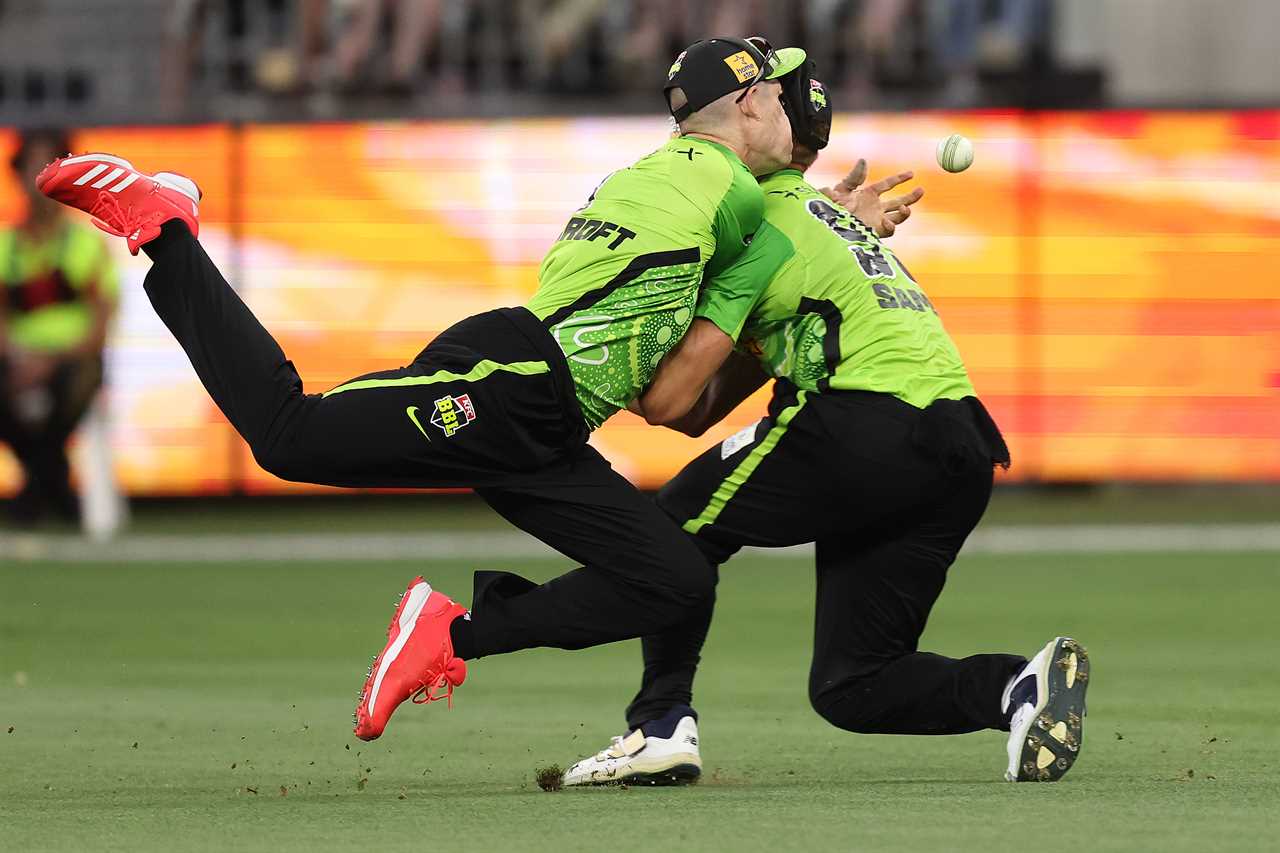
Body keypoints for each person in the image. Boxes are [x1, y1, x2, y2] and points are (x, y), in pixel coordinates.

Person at [36, 37, 839, 744]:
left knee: (675, 578)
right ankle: (165, 228)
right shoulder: (723, 185)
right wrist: (832, 221)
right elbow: (776, 223)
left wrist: (812, 225)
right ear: (744, 103)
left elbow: (668, 406)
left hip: (549, 424)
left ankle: (449, 633)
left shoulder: (689, 179)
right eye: (776, 97)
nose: (792, 123)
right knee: (288, 434)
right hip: (511, 381)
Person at [560, 67, 1090, 787]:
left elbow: (679, 407)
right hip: (960, 439)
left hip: (869, 420)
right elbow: (703, 404)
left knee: (673, 528)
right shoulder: (829, 219)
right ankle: (1017, 690)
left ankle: (659, 723)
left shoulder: (744, 213)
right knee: (852, 681)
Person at [0, 129, 119, 526]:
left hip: (73, 362)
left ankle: (34, 493)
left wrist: (48, 361)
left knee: (77, 380)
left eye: (48, 166)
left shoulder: (85, 245)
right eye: (31, 166)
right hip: (16, 362)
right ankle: (55, 487)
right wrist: (20, 358)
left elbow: (100, 325)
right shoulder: (5, 247)